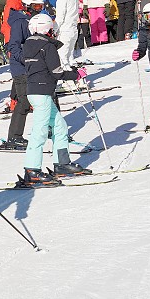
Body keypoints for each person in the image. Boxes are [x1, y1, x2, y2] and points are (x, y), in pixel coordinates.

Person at [18, 14, 89, 186]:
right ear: (47, 29)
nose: (53, 33)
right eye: (51, 29)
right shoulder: (47, 46)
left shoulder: (28, 45)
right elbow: (56, 72)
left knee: (59, 126)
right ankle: (32, 169)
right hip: (42, 92)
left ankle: (62, 163)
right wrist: (76, 74)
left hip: (36, 90)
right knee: (40, 131)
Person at [1, 0, 45, 150]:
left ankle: (50, 129)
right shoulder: (20, 22)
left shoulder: (34, 20)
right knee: (24, 101)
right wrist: (26, 59)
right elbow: (14, 45)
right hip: (20, 68)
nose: (40, 9)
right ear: (28, 6)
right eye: (37, 6)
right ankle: (14, 137)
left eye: (41, 6)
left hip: (34, 66)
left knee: (46, 97)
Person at [54, 0, 81, 90]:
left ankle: (68, 82)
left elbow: (60, 17)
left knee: (62, 57)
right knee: (70, 57)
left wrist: (55, 29)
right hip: (73, 28)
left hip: (65, 30)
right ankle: (77, 79)